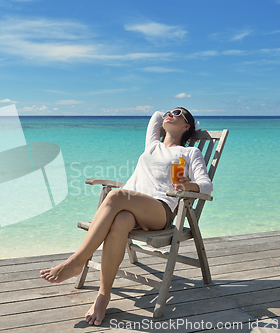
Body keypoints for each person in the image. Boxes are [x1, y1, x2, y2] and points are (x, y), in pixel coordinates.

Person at [40, 107, 213, 325]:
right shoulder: (153, 145)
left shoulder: (189, 153)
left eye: (177, 113)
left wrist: (189, 185)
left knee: (115, 195)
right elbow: (156, 115)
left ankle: (77, 261)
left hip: (160, 210)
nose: (169, 114)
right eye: (170, 111)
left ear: (186, 125)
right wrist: (178, 118)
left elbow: (207, 186)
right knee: (120, 220)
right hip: (131, 208)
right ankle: (103, 296)